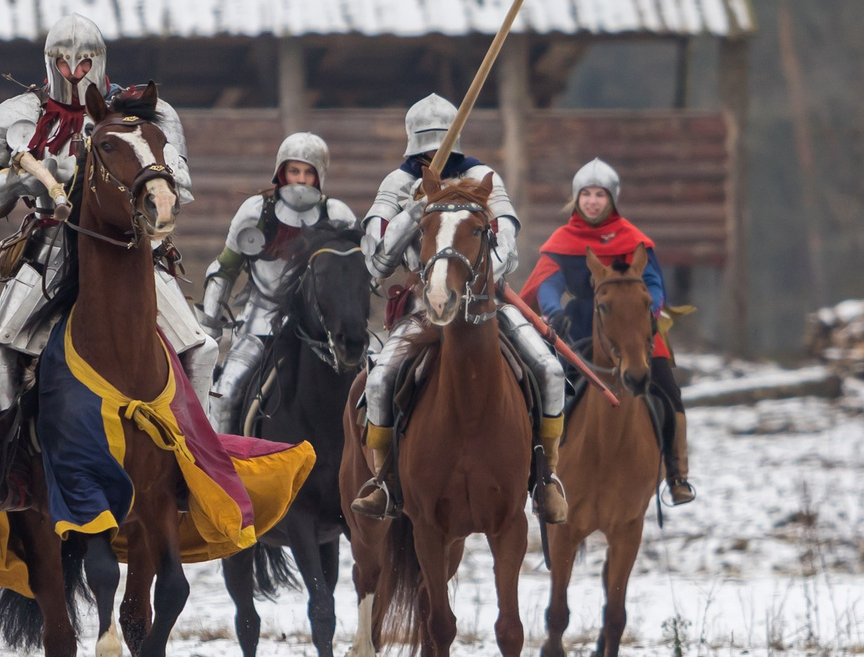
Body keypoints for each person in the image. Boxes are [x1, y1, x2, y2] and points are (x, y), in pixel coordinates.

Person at [0, 13, 206, 502]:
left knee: (202, 347)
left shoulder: (147, 115)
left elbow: (179, 185)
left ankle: (194, 462)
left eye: (84, 61)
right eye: (63, 61)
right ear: (49, 62)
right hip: (48, 246)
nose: (74, 71)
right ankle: (4, 465)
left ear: (100, 62)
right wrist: (25, 179)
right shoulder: (14, 114)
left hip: (130, 250)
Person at [353, 92, 568, 523]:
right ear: (414, 144)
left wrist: (481, 264)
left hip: (486, 303)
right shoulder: (397, 185)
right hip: (423, 307)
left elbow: (507, 245)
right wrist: (418, 210)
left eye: (442, 143)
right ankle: (385, 480)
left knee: (550, 370)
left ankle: (546, 477)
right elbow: (376, 261)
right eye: (428, 145)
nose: (436, 151)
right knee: (378, 383)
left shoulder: (481, 176)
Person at [520, 158, 697, 503]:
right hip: (579, 326)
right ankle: (536, 468)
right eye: (586, 194)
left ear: (612, 199)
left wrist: (650, 312)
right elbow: (548, 283)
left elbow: (653, 282)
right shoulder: (564, 240)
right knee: (544, 386)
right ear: (576, 198)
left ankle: (677, 474)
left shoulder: (634, 240)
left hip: (633, 327)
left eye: (600, 194)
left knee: (667, 389)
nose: (592, 201)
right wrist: (554, 311)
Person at [199, 132, 356, 433]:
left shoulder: (336, 215)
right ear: (281, 172)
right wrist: (209, 329)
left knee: (365, 388)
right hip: (261, 326)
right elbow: (225, 269)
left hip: (322, 331)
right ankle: (221, 469)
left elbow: (353, 274)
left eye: (308, 172)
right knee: (226, 392)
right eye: (294, 171)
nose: (300, 179)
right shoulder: (256, 211)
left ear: (319, 175)